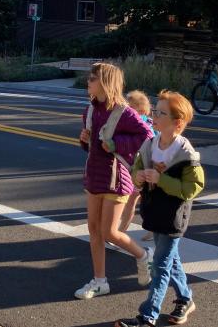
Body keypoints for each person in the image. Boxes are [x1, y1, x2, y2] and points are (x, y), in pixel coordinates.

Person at [116, 90, 205, 327]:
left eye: (161, 112)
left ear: (177, 123)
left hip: (173, 215)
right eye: (155, 110)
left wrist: (160, 178)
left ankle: (148, 316)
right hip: (154, 211)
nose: (154, 115)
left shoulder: (185, 152)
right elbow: (135, 172)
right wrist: (141, 177)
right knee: (169, 259)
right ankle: (185, 298)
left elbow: (193, 187)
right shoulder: (150, 144)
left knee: (160, 265)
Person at [75, 62, 155, 299]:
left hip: (117, 179)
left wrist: (117, 144)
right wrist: (84, 139)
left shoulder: (124, 112)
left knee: (109, 231)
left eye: (92, 78)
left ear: (106, 83)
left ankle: (143, 255)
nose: (88, 81)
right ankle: (100, 281)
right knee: (94, 230)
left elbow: (147, 135)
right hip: (94, 175)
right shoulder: (89, 110)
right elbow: (92, 146)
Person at [118, 90, 156, 242]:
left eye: (129, 106)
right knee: (142, 202)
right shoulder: (147, 123)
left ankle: (120, 232)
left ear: (139, 109)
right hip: (139, 169)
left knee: (130, 202)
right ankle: (153, 229)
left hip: (138, 170)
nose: (125, 109)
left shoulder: (138, 124)